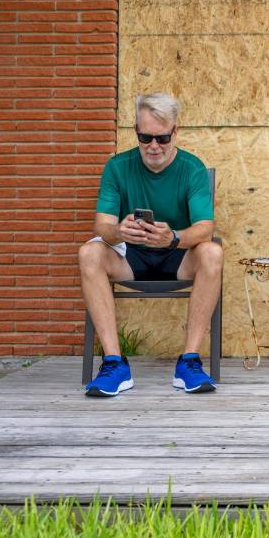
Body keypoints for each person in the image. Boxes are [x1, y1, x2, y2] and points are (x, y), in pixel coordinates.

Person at [78, 92, 223, 397]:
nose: (154, 146)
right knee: (89, 252)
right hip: (130, 256)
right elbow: (101, 225)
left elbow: (205, 228)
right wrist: (119, 231)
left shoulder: (192, 168)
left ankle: (189, 362)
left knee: (212, 252)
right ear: (136, 133)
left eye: (162, 138)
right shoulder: (118, 166)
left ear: (176, 132)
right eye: (145, 137)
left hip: (177, 255)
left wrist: (173, 238)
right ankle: (114, 363)